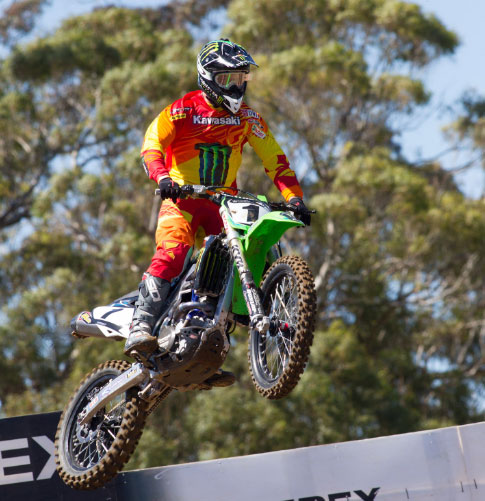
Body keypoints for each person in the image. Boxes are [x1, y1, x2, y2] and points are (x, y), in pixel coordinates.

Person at [124, 39, 311, 373]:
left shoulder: (249, 119)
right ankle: (141, 324)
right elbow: (151, 145)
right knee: (173, 250)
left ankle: (210, 338)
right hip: (183, 200)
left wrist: (294, 198)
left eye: (241, 79)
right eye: (228, 80)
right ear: (207, 78)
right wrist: (163, 177)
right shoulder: (182, 110)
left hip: (225, 203)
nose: (236, 87)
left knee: (246, 253)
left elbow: (276, 161)